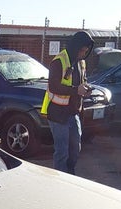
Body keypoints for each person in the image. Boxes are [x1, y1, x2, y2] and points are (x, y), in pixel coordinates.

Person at [41, 30, 95, 174]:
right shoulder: (59, 61)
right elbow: (53, 86)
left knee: (75, 150)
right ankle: (60, 179)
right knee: (62, 152)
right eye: (82, 50)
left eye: (86, 51)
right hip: (58, 115)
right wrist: (76, 90)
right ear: (75, 47)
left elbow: (82, 81)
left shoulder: (81, 63)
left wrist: (86, 89)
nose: (83, 53)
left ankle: (70, 175)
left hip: (73, 113)